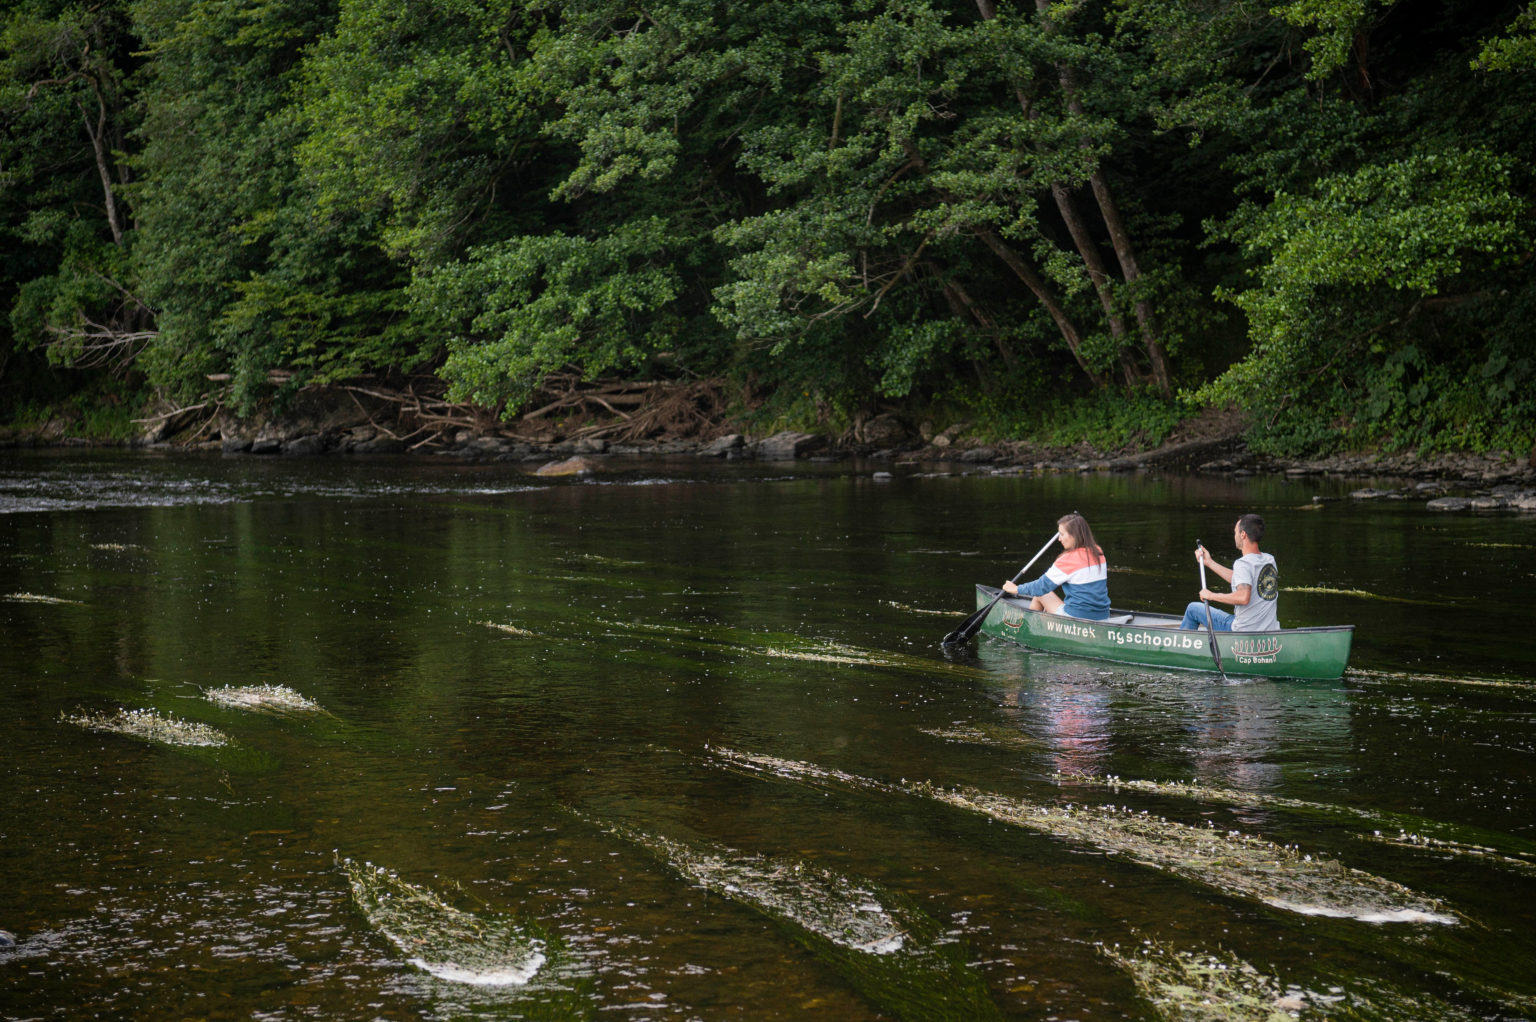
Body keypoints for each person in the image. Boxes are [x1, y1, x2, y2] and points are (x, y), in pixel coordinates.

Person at [1179, 513, 1279, 632]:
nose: (1235, 535)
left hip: (1243, 631)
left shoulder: (1243, 563)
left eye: (1235, 532)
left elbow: (1243, 597)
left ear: (1243, 535)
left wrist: (1211, 595)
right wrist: (1209, 562)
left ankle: (1182, 647)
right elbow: (1241, 579)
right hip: (1270, 630)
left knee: (1193, 609)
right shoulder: (1269, 560)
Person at [1002, 512, 1110, 620]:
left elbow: (1040, 587)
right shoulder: (1098, 552)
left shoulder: (1067, 560)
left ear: (1074, 536)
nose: (1059, 539)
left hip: (1077, 617)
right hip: (1104, 616)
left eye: (1062, 534)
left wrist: (1016, 589)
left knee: (1041, 595)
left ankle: (1029, 627)